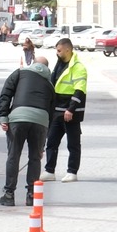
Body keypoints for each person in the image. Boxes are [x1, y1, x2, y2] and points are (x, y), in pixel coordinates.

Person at [0, 54, 53, 207]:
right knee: (35, 158)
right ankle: (31, 195)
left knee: (13, 156)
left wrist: (3, 117)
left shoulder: (20, 73)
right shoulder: (50, 84)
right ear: (48, 68)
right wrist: (43, 142)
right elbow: (52, 111)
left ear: (33, 64)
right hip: (40, 121)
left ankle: (9, 195)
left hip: (18, 119)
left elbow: (6, 93)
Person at [44, 37, 87, 183]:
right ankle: (49, 170)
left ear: (67, 49)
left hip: (70, 112)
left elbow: (80, 90)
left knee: (73, 144)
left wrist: (71, 109)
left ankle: (72, 172)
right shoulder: (59, 64)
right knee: (51, 142)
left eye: (59, 50)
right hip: (56, 110)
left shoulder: (78, 67)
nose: (57, 53)